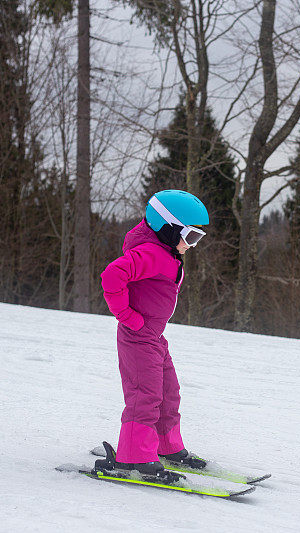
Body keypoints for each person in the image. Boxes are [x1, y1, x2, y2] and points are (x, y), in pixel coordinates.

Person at [100, 190, 209, 480]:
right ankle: (133, 458)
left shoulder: (166, 253)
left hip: (154, 337)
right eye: (192, 236)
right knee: (144, 396)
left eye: (198, 238)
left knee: (168, 393)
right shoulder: (150, 254)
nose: (193, 245)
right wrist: (127, 317)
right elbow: (112, 276)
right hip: (138, 336)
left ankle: (166, 446)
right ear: (168, 229)